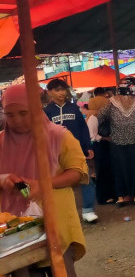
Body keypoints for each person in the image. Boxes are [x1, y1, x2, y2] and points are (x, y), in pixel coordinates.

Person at [0, 84, 87, 277]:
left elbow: (77, 172)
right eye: (10, 114)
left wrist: (43, 183)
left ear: (36, 108)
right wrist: (4, 180)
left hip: (56, 221)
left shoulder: (59, 136)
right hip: (19, 232)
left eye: (23, 113)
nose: (16, 120)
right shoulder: (0, 142)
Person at [44, 79, 96, 223]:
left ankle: (88, 210)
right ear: (49, 92)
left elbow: (82, 128)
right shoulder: (46, 112)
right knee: (61, 183)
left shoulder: (73, 108)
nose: (61, 93)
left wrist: (88, 146)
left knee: (85, 179)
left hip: (77, 151)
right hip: (56, 153)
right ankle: (65, 214)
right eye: (56, 90)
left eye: (63, 89)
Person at [98, 77, 135, 205]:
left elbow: (100, 115)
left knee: (121, 168)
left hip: (117, 142)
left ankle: (124, 196)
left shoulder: (111, 102)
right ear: (133, 88)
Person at [85, 99, 115, 205]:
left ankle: (110, 195)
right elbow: (92, 136)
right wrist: (105, 138)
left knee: (108, 171)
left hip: (105, 146)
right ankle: (104, 197)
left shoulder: (100, 116)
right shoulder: (93, 118)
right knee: (102, 171)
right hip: (100, 147)